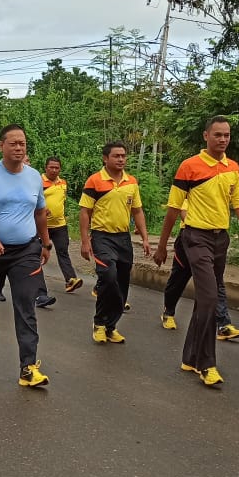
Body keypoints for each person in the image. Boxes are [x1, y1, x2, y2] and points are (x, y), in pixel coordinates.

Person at [153, 117, 239, 386]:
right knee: (209, 298)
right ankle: (207, 364)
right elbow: (172, 209)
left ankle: (190, 357)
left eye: (227, 135)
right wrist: (162, 245)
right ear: (206, 136)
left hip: (220, 239)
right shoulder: (189, 166)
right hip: (195, 237)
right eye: (218, 135)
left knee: (207, 300)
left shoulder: (232, 167)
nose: (223, 139)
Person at [0, 124, 52, 388]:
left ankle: (28, 367)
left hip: (25, 250)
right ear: (1, 145)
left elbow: (40, 212)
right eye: (13, 143)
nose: (19, 148)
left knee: (26, 302)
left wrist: (46, 243)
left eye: (22, 143)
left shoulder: (34, 176)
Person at [80, 142, 150, 344]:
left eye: (123, 156)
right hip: (102, 238)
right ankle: (99, 323)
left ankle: (111, 326)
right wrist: (85, 241)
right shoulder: (94, 181)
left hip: (123, 239)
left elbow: (137, 211)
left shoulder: (131, 182)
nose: (121, 159)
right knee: (108, 277)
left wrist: (145, 238)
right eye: (116, 156)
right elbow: (85, 212)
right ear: (105, 158)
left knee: (121, 283)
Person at [159, 198, 239, 341]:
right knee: (179, 279)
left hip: (212, 240)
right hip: (190, 238)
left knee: (216, 281)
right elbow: (184, 214)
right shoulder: (191, 191)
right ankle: (168, 311)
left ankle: (223, 324)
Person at [35, 157, 83, 308]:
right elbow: (31, 201)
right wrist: (41, 210)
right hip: (41, 226)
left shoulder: (63, 183)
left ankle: (71, 280)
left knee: (63, 252)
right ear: (46, 167)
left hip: (60, 225)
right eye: (51, 167)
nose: (54, 170)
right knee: (36, 255)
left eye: (57, 168)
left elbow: (61, 201)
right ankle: (37, 288)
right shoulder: (38, 182)